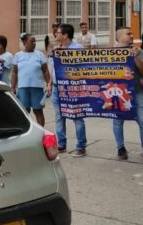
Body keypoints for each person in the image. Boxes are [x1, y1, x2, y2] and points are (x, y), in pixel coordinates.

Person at [111, 27, 143, 161]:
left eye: (132, 33)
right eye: (128, 34)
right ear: (120, 36)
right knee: (118, 121)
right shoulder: (110, 52)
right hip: (118, 92)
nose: (131, 36)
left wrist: (135, 57)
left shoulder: (137, 51)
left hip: (136, 90)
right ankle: (120, 148)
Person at [50, 24, 87, 157]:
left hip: (72, 88)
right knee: (59, 117)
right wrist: (49, 84)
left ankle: (81, 146)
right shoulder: (56, 49)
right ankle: (61, 144)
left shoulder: (78, 49)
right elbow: (53, 69)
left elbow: (83, 68)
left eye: (58, 33)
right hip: (56, 88)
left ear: (65, 35)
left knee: (77, 117)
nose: (56, 35)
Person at [11, 34, 51, 126]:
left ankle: (41, 131)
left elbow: (45, 71)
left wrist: (48, 84)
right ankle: (27, 131)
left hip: (37, 87)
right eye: (31, 41)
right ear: (24, 42)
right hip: (22, 87)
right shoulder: (18, 55)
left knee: (38, 110)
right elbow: (14, 73)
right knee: (25, 110)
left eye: (35, 41)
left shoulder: (40, 55)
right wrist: (13, 87)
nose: (34, 43)